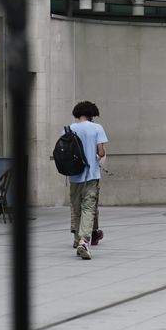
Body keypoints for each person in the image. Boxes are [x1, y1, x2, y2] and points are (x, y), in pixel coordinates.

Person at [66, 101, 108, 260]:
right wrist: (97, 156)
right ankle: (84, 240)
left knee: (76, 208)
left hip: (74, 176)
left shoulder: (70, 129)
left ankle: (77, 239)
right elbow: (101, 152)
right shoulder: (97, 128)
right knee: (88, 208)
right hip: (91, 175)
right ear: (92, 114)